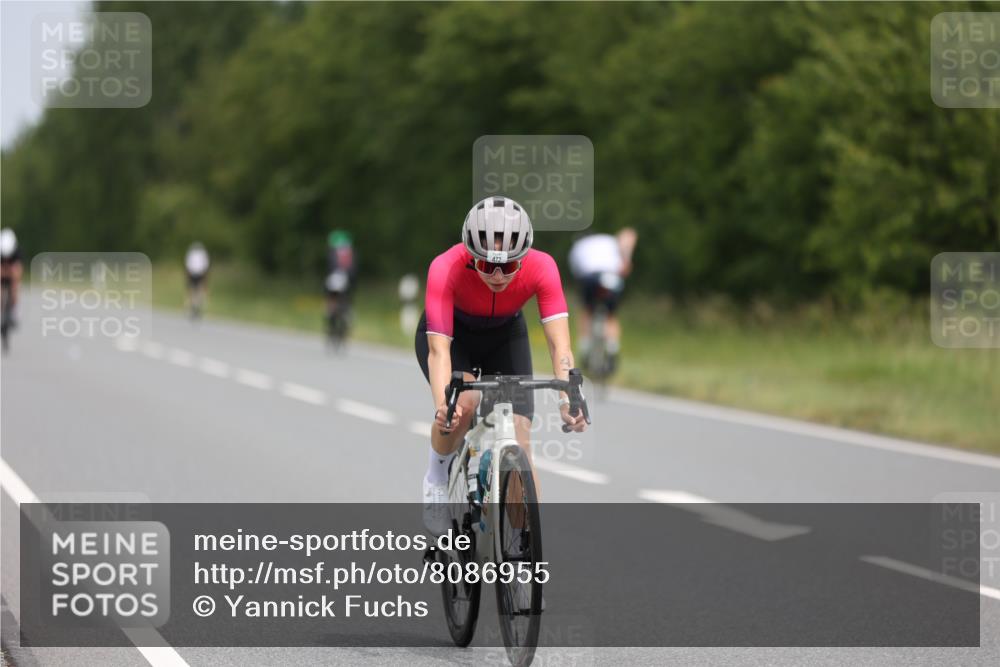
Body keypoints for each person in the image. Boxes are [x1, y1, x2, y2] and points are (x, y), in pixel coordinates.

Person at [415, 196, 588, 537]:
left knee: (520, 437)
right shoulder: (445, 267)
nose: (497, 276)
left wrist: (569, 399)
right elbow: (439, 352)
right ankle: (436, 478)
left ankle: (524, 556)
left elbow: (560, 345)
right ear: (470, 256)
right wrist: (443, 406)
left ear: (523, 258)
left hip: (505, 335)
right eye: (485, 266)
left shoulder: (543, 267)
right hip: (454, 336)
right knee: (464, 405)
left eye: (508, 267)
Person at [567, 227, 638, 373]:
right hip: (611, 277)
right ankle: (613, 349)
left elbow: (576, 272)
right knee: (611, 316)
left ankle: (585, 349)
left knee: (586, 311)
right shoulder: (610, 240)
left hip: (590, 278)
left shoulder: (577, 246)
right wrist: (627, 262)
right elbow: (629, 236)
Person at [324, 230, 357, 343]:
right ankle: (347, 316)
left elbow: (329, 269)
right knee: (347, 302)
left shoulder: (333, 252)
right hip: (347, 283)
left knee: (331, 303)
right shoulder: (350, 253)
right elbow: (354, 273)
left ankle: (330, 314)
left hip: (333, 282)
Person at [1, 228, 23, 352]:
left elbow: (18, 272)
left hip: (12, 277)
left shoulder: (17, 252)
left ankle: (14, 310)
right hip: (3, 277)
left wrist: (9, 273)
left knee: (15, 286)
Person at [184, 242, 210, 319]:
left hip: (194, 274)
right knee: (197, 291)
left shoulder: (192, 253)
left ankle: (195, 307)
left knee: (194, 291)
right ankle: (195, 307)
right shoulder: (202, 253)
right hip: (199, 274)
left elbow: (188, 265)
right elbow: (205, 266)